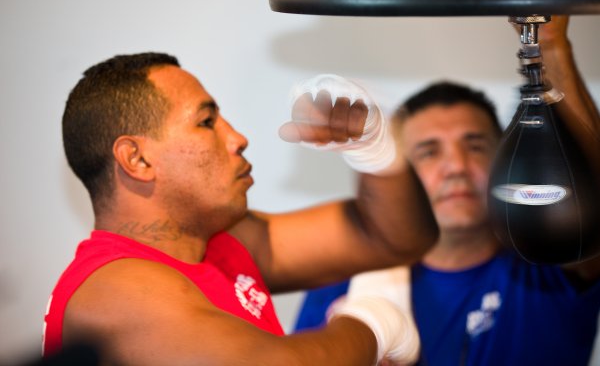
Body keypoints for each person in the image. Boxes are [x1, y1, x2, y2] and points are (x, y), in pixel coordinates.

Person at [42, 53, 438, 365]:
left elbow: (393, 238)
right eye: (206, 122)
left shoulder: (221, 241)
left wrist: (376, 151)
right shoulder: (114, 290)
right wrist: (373, 324)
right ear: (137, 159)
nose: (238, 138)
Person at [293, 15, 600, 366]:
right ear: (403, 174)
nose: (456, 166)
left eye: (475, 146)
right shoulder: (344, 285)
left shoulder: (548, 263)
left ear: (504, 160)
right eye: (429, 152)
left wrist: (550, 44)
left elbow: (593, 203)